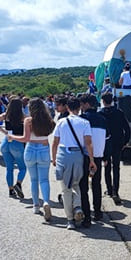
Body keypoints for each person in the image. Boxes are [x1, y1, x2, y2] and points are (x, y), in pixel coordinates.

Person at [51, 97, 97, 230]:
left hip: (63, 155)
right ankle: (77, 207)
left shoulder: (61, 122)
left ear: (68, 108)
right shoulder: (84, 122)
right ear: (79, 108)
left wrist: (54, 159)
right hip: (78, 155)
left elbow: (55, 143)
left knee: (66, 189)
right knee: (76, 184)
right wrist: (92, 160)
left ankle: (70, 220)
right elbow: (88, 143)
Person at [7, 98, 56, 221]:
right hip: (44, 148)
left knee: (34, 180)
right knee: (44, 179)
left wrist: (11, 136)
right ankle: (46, 201)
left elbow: (26, 138)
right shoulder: (49, 121)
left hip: (30, 149)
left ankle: (35, 206)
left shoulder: (28, 120)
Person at [79, 94, 107, 227]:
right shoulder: (103, 119)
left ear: (87, 104)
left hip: (85, 156)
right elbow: (106, 139)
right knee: (97, 184)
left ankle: (86, 215)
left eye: (82, 104)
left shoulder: (82, 119)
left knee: (83, 185)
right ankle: (98, 211)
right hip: (98, 155)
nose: (81, 107)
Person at [0, 98, 27, 199]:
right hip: (17, 142)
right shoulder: (23, 117)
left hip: (6, 141)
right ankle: (18, 184)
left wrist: (4, 132)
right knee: (23, 167)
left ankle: (10, 190)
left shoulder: (5, 115)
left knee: (9, 168)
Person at [99, 92, 130, 204]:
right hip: (118, 143)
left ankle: (109, 189)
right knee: (116, 167)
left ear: (103, 101)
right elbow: (127, 128)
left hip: (105, 144)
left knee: (106, 167)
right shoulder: (119, 112)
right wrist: (125, 142)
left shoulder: (100, 114)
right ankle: (116, 191)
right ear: (112, 100)